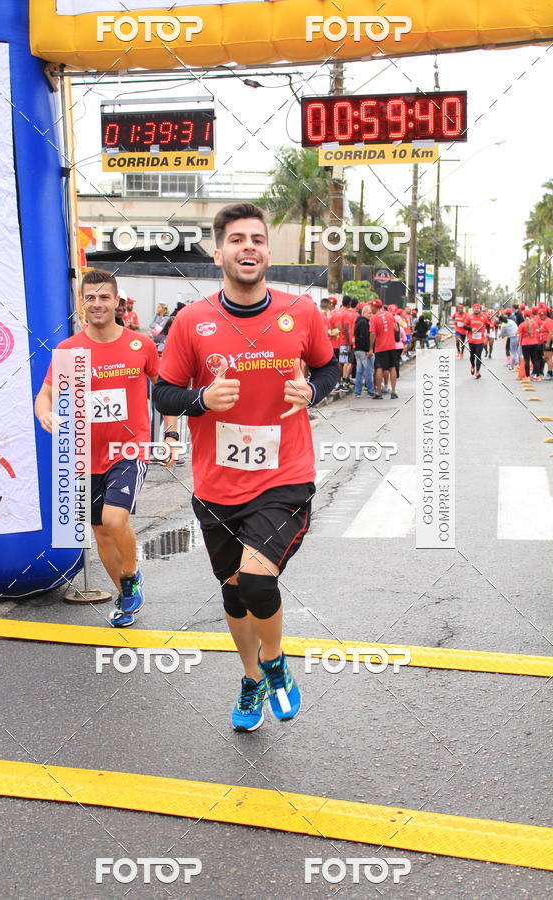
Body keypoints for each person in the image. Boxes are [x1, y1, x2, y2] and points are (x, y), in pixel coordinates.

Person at [154, 202, 339, 732]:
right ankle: (251, 678)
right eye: (237, 239)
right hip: (216, 483)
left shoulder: (300, 312)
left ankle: (276, 664)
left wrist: (313, 392)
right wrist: (201, 400)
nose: (249, 247)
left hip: (285, 473)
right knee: (234, 593)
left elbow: (328, 369)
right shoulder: (191, 321)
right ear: (219, 253)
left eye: (257, 238)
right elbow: (163, 393)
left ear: (268, 251)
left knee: (258, 584)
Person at [35, 269, 179, 626]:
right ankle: (125, 595)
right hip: (83, 453)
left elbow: (165, 391)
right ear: (81, 304)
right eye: (89, 298)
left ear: (117, 302)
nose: (96, 304)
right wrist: (44, 414)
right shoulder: (68, 350)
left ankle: (131, 578)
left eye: (103, 297)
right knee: (100, 531)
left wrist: (172, 433)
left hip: (128, 448)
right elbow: (45, 395)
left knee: (115, 519)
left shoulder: (140, 344)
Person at [369, 301, 398, 399]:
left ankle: (378, 392)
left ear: (374, 307)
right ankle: (393, 392)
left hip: (380, 347)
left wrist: (370, 348)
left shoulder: (373, 318)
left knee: (379, 368)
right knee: (392, 367)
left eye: (371, 306)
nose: (370, 309)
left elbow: (372, 334)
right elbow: (396, 328)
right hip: (391, 346)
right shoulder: (389, 314)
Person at [353, 304, 375, 397]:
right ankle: (370, 391)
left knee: (359, 372)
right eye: (369, 313)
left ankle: (358, 392)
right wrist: (368, 349)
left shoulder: (358, 321)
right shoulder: (364, 323)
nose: (371, 315)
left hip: (357, 349)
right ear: (364, 313)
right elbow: (365, 337)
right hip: (363, 350)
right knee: (368, 371)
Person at [463, 302, 490, 378]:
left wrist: (488, 332)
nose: (476, 310)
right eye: (475, 309)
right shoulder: (469, 317)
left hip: (480, 340)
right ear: (473, 309)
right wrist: (471, 329)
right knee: (472, 355)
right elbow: (464, 326)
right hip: (471, 339)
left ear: (480, 309)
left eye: (478, 309)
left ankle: (478, 372)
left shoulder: (483, 317)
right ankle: (472, 366)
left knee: (478, 355)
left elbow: (488, 325)